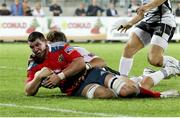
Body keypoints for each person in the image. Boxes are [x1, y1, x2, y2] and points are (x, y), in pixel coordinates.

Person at [25, 31, 179, 99]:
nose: (36, 49)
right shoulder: (38, 61)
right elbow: (29, 88)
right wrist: (40, 77)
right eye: (32, 47)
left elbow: (100, 62)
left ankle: (168, 70)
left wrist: (82, 67)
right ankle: (146, 74)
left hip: (102, 72)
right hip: (82, 84)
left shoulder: (75, 51)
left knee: (138, 86)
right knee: (119, 91)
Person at [117, 0, 180, 89]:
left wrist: (146, 7)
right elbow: (142, 13)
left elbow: (158, 2)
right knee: (128, 48)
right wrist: (130, 23)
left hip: (164, 21)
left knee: (154, 59)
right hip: (148, 22)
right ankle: (122, 80)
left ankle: (176, 65)